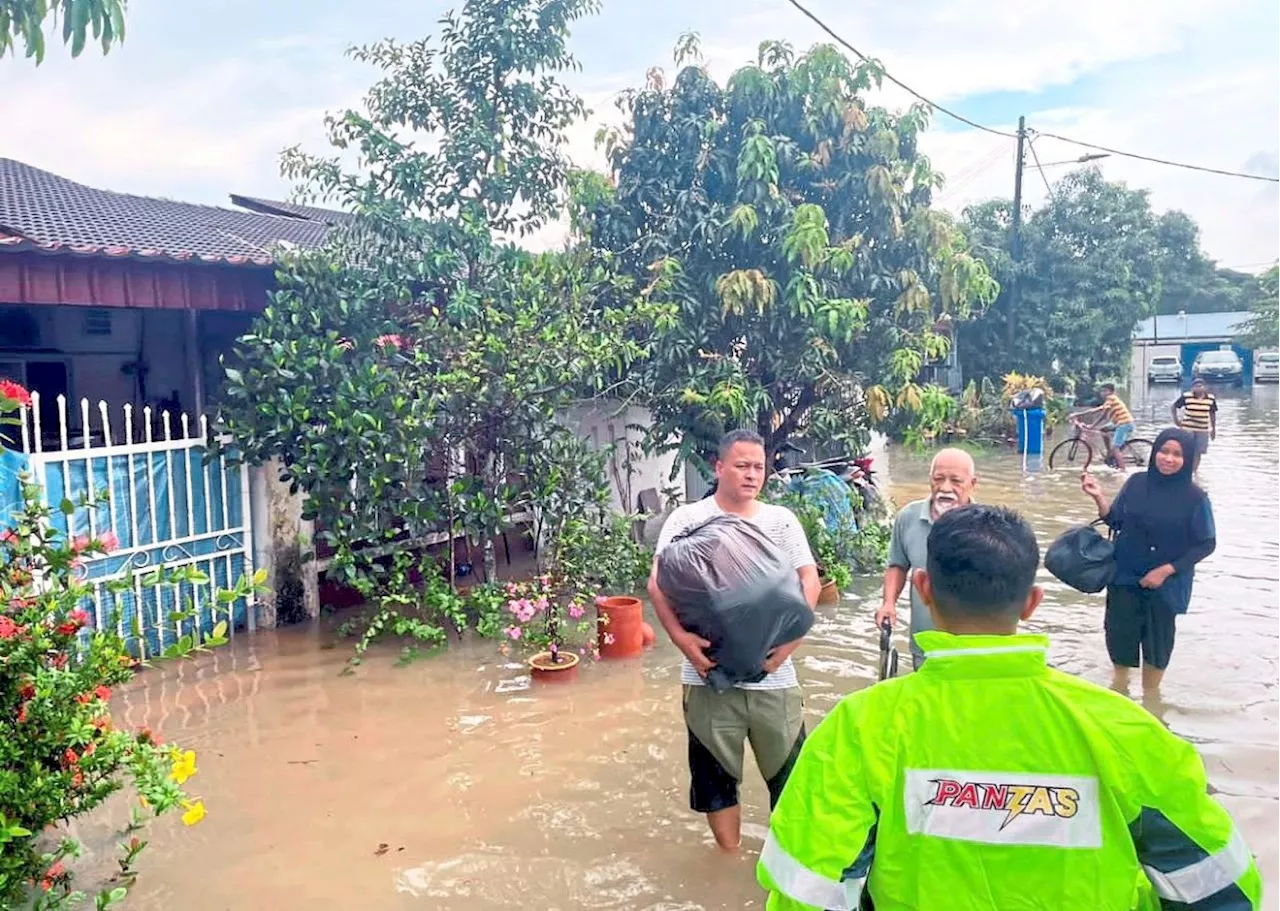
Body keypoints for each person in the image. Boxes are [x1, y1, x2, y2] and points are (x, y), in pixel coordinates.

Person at [757, 504, 1261, 911]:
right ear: (1032, 603)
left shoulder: (859, 728)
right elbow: (1222, 892)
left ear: (924, 590)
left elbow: (809, 895)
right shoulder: (1123, 729)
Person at [648, 429, 820, 852]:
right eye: (742, 465)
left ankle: (783, 867)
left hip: (774, 679)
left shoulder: (780, 521)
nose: (751, 475)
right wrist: (682, 641)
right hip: (707, 677)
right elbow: (657, 584)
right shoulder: (688, 519)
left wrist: (788, 647)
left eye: (759, 467)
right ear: (719, 467)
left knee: (792, 779)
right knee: (715, 779)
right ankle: (729, 859)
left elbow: (808, 580)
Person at [1081, 427, 1216, 698]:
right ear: (1155, 453)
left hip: (1164, 586)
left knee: (1158, 643)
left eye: (1177, 454)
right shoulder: (1136, 483)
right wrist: (1098, 497)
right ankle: (1120, 691)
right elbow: (1116, 520)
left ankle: (1152, 700)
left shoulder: (1195, 498)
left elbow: (1206, 544)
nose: (1168, 458)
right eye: (1164, 451)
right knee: (1119, 636)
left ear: (1187, 459)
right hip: (1124, 576)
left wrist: (1165, 571)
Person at [874, 447, 976, 668]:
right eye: (938, 479)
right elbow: (897, 565)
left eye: (956, 481)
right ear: (930, 480)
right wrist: (888, 603)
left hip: (972, 649)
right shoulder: (909, 517)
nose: (945, 488)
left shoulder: (986, 525)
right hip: (924, 646)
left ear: (972, 484)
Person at [1074, 382, 1136, 469]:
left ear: (1112, 392)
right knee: (1103, 429)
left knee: (1115, 448)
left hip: (1124, 423)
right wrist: (1079, 414)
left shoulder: (1111, 398)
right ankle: (1109, 453)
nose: (1103, 393)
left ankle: (1122, 470)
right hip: (1119, 423)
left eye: (1105, 391)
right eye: (1102, 391)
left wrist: (1092, 425)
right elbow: (1097, 410)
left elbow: (1103, 415)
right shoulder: (1109, 401)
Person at [1173, 378, 1218, 469]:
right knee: (1185, 449)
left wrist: (1213, 429)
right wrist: (1176, 420)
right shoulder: (1187, 396)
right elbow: (1174, 407)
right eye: (1196, 386)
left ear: (1205, 388)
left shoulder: (1210, 398)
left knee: (1198, 452)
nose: (1198, 388)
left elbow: (1212, 414)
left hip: (1203, 429)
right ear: (1192, 388)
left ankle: (1194, 471)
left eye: (1200, 386)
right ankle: (1184, 468)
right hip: (1188, 428)